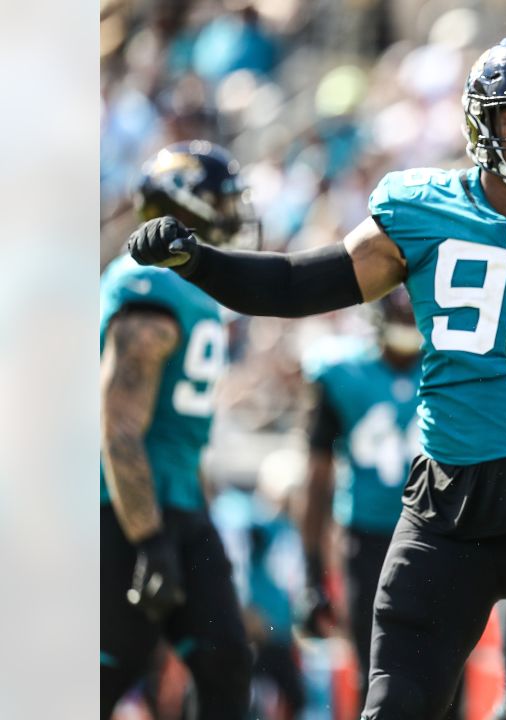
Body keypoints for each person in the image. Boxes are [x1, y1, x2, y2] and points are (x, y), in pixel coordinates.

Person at [127, 35, 506, 720]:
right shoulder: (428, 210)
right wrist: (201, 262)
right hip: (451, 500)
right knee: (395, 704)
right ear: (482, 125)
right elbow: (299, 283)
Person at [101, 141, 255, 719]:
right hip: (121, 510)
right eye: (222, 202)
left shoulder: (193, 289)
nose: (235, 215)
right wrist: (148, 538)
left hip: (180, 504)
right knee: (108, 664)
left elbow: (181, 434)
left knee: (227, 663)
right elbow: (119, 425)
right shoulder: (151, 286)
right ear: (184, 208)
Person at [296, 286, 427, 716]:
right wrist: (313, 574)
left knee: (441, 669)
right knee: (376, 673)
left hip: (438, 537)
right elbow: (317, 480)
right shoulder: (341, 371)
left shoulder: (445, 368)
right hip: (369, 541)